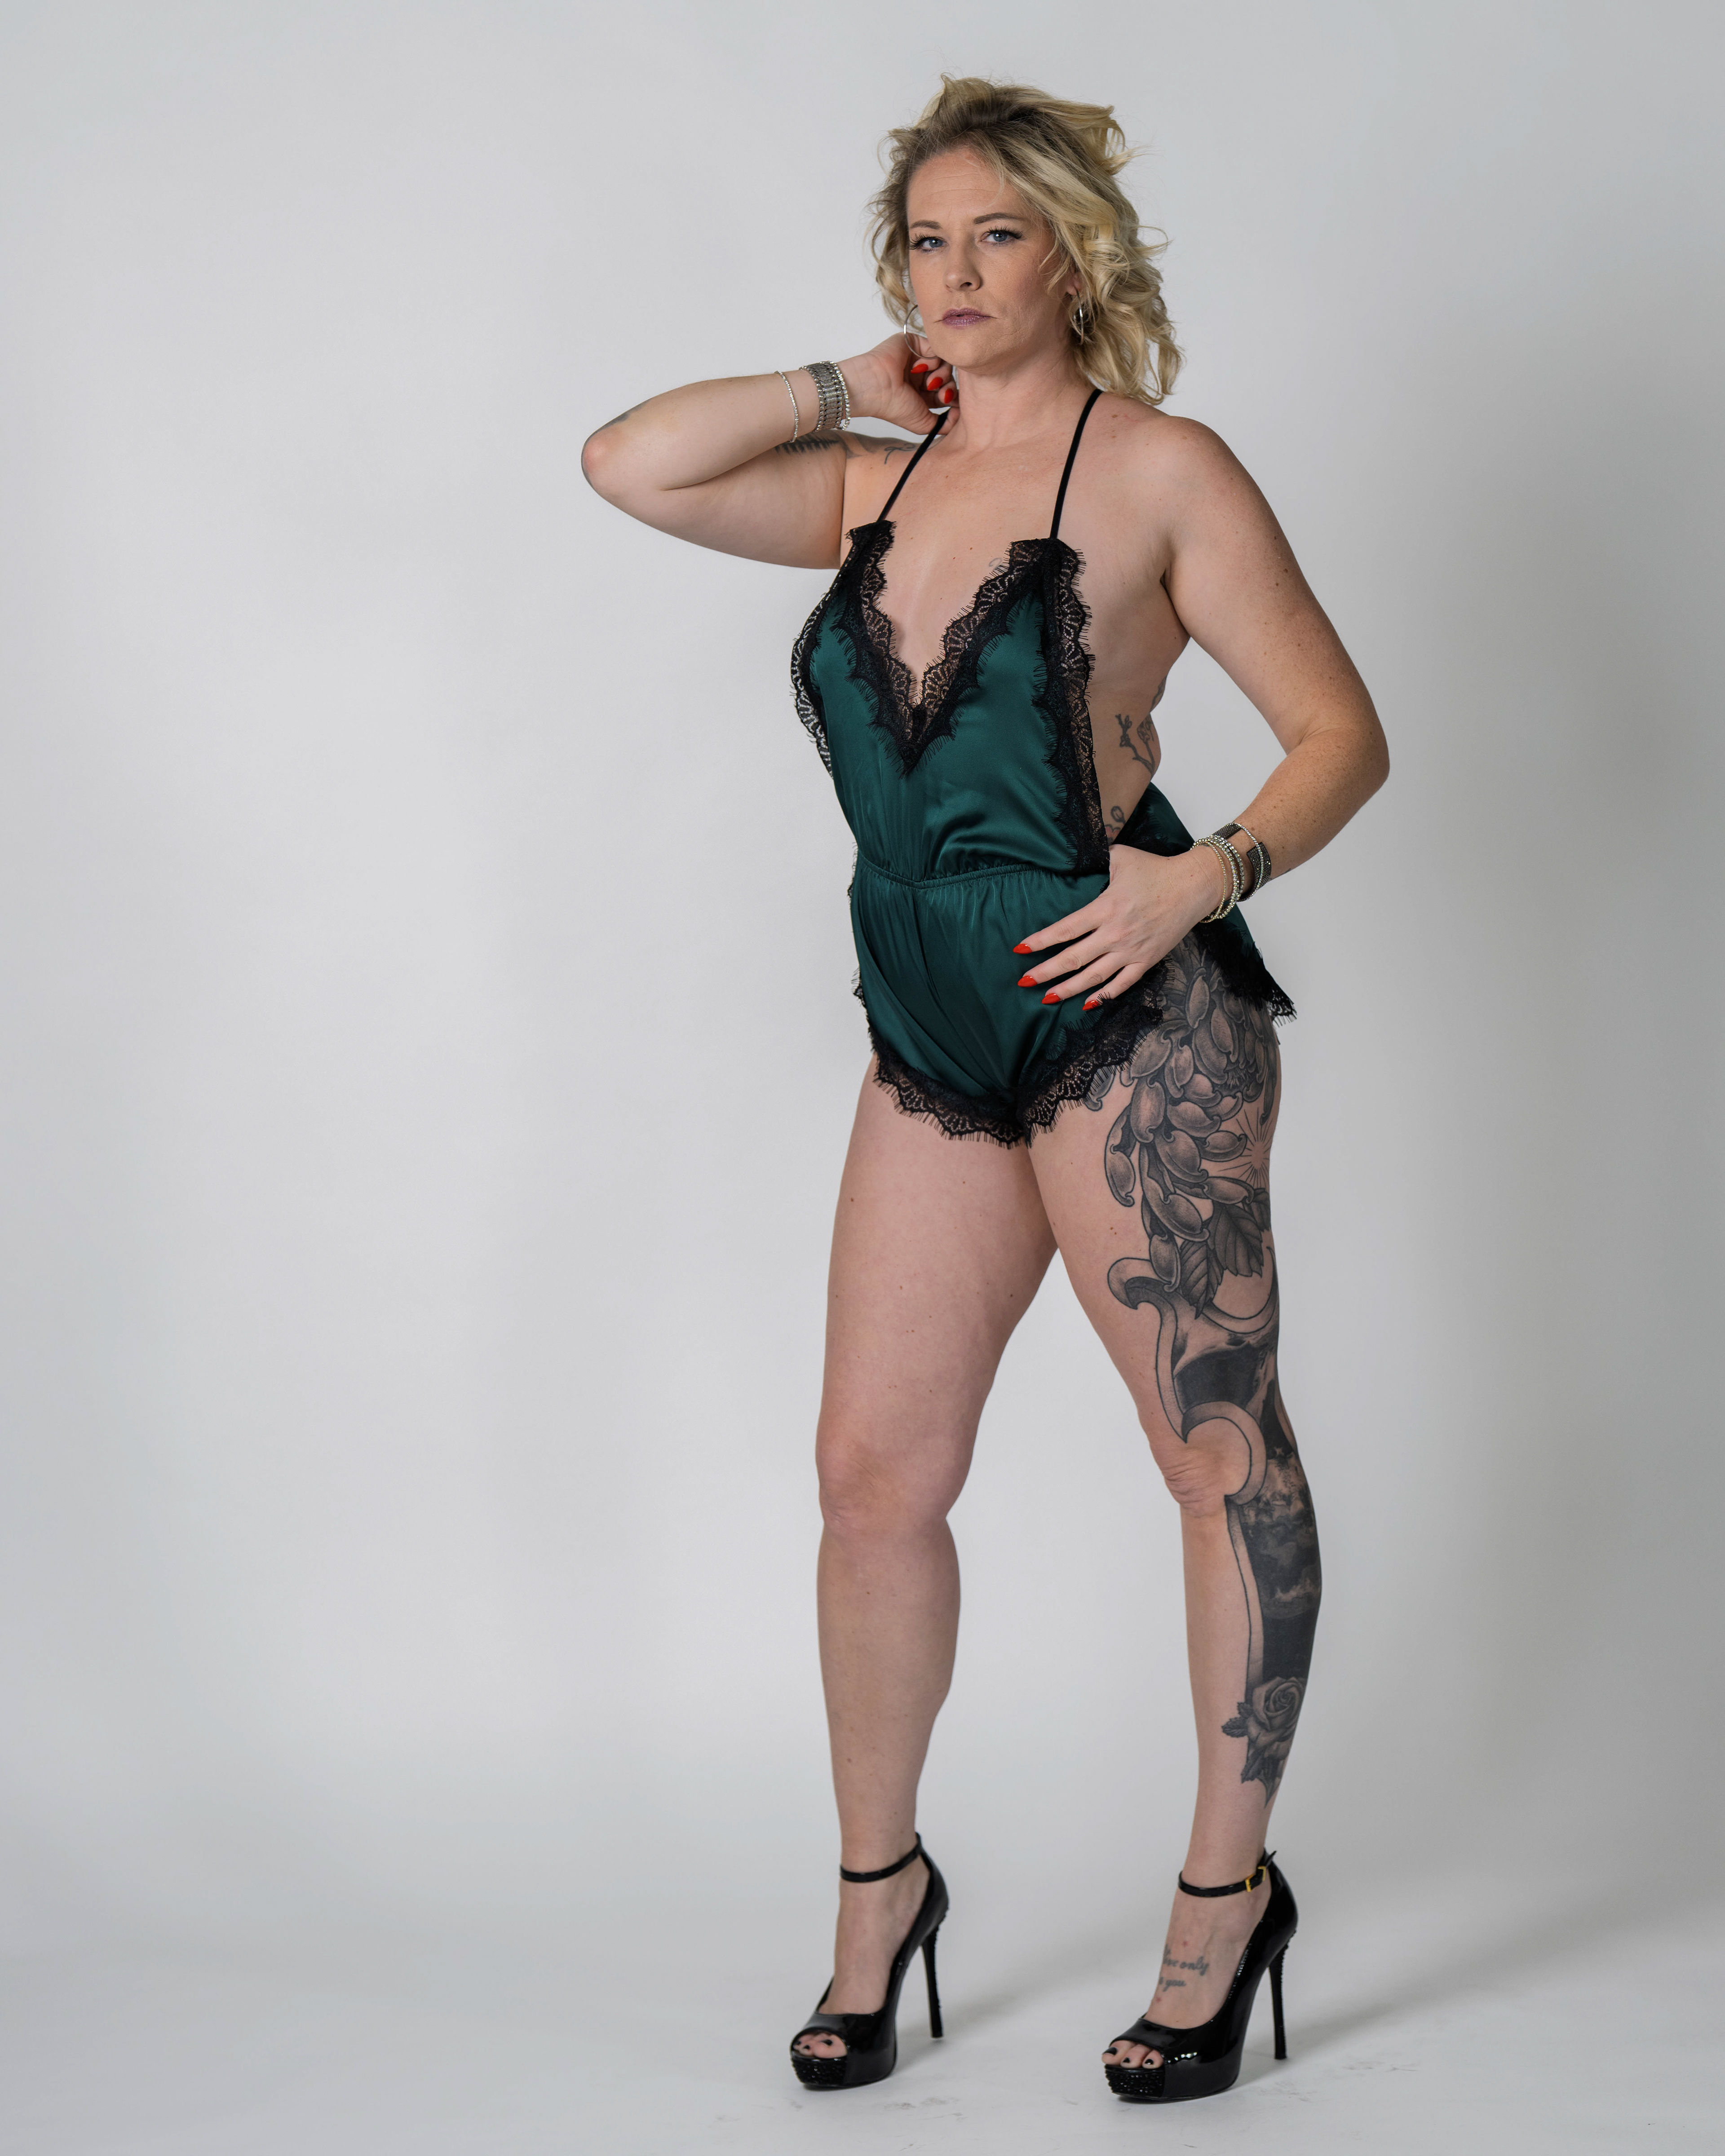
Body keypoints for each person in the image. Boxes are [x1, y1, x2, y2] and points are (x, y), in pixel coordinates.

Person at [581, 76, 1387, 2107]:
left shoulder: (1166, 470)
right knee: (874, 1477)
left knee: (1217, 1455)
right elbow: (630, 464)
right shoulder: (875, 483)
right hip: (928, 1028)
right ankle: (883, 1897)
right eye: (924, 242)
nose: (954, 274)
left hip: (1134, 1023)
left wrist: (1203, 876)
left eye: (994, 236)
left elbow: (1340, 734)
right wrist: (833, 382)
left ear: (1074, 255)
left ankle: (1224, 1902)